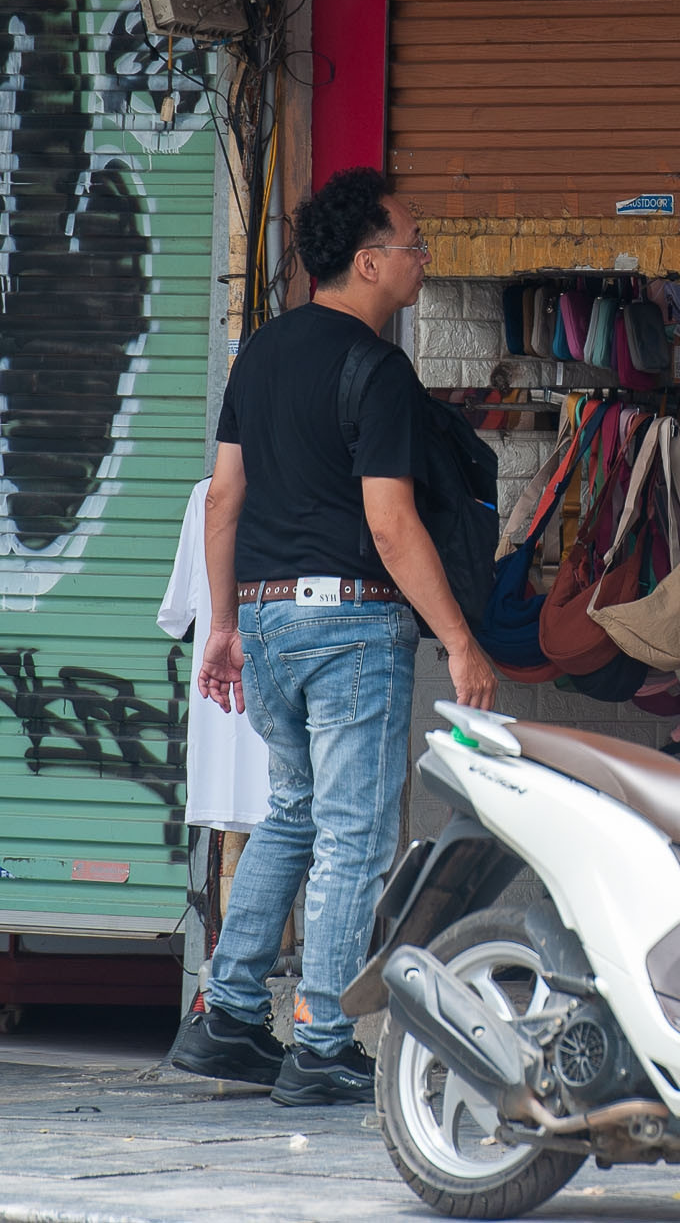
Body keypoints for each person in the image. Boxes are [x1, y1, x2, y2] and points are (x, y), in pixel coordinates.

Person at [166, 167, 497, 1106]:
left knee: (293, 813)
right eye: (413, 243)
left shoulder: (260, 355)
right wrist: (462, 643)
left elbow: (223, 498)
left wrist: (225, 625)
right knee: (351, 831)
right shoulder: (377, 367)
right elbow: (392, 524)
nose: (422, 258)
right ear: (367, 261)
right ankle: (320, 1037)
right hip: (349, 623)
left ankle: (227, 1016)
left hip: (266, 617)